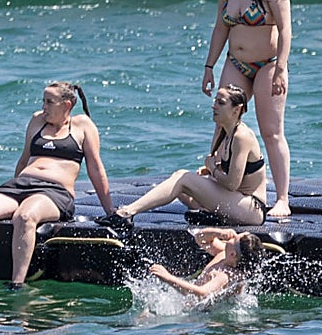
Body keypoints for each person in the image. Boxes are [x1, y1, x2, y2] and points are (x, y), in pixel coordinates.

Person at [0, 82, 114, 291]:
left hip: (55, 192)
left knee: (24, 217)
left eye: (49, 102)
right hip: (20, 186)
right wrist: (12, 188)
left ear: (67, 105)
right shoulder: (37, 120)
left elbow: (96, 169)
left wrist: (110, 210)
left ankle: (17, 283)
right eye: (43, 101)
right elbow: (24, 159)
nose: (43, 107)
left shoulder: (82, 125)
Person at [202, 0, 293, 218]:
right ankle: (217, 186)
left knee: (271, 131)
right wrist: (209, 67)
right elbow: (220, 27)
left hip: (267, 65)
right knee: (221, 125)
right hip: (236, 63)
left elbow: (285, 29)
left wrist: (281, 68)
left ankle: (281, 199)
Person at [99, 85, 269, 228]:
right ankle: (210, 216)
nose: (213, 106)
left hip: (251, 209)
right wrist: (210, 173)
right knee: (179, 182)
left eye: (220, 103)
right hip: (236, 203)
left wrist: (213, 169)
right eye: (215, 101)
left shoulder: (242, 136)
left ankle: (127, 213)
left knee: (183, 179)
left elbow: (232, 184)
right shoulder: (226, 133)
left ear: (237, 110)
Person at [148, 227, 265, 301]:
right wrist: (219, 233)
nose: (234, 234)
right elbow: (200, 238)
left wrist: (168, 278)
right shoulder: (224, 254)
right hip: (191, 304)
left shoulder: (225, 275)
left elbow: (202, 294)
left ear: (233, 254)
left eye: (235, 238)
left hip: (200, 316)